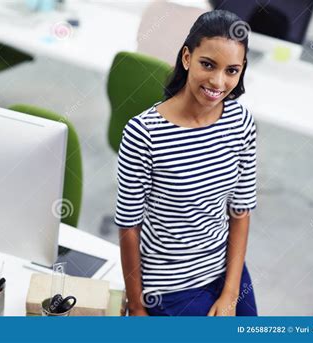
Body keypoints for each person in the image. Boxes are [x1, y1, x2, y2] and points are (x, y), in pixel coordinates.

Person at [115, 10, 258, 316]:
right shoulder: (143, 133)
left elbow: (240, 210)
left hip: (226, 272)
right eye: (208, 64)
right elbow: (129, 226)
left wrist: (231, 293)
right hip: (169, 287)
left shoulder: (241, 122)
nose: (218, 81)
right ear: (186, 58)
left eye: (232, 70)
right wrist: (138, 307)